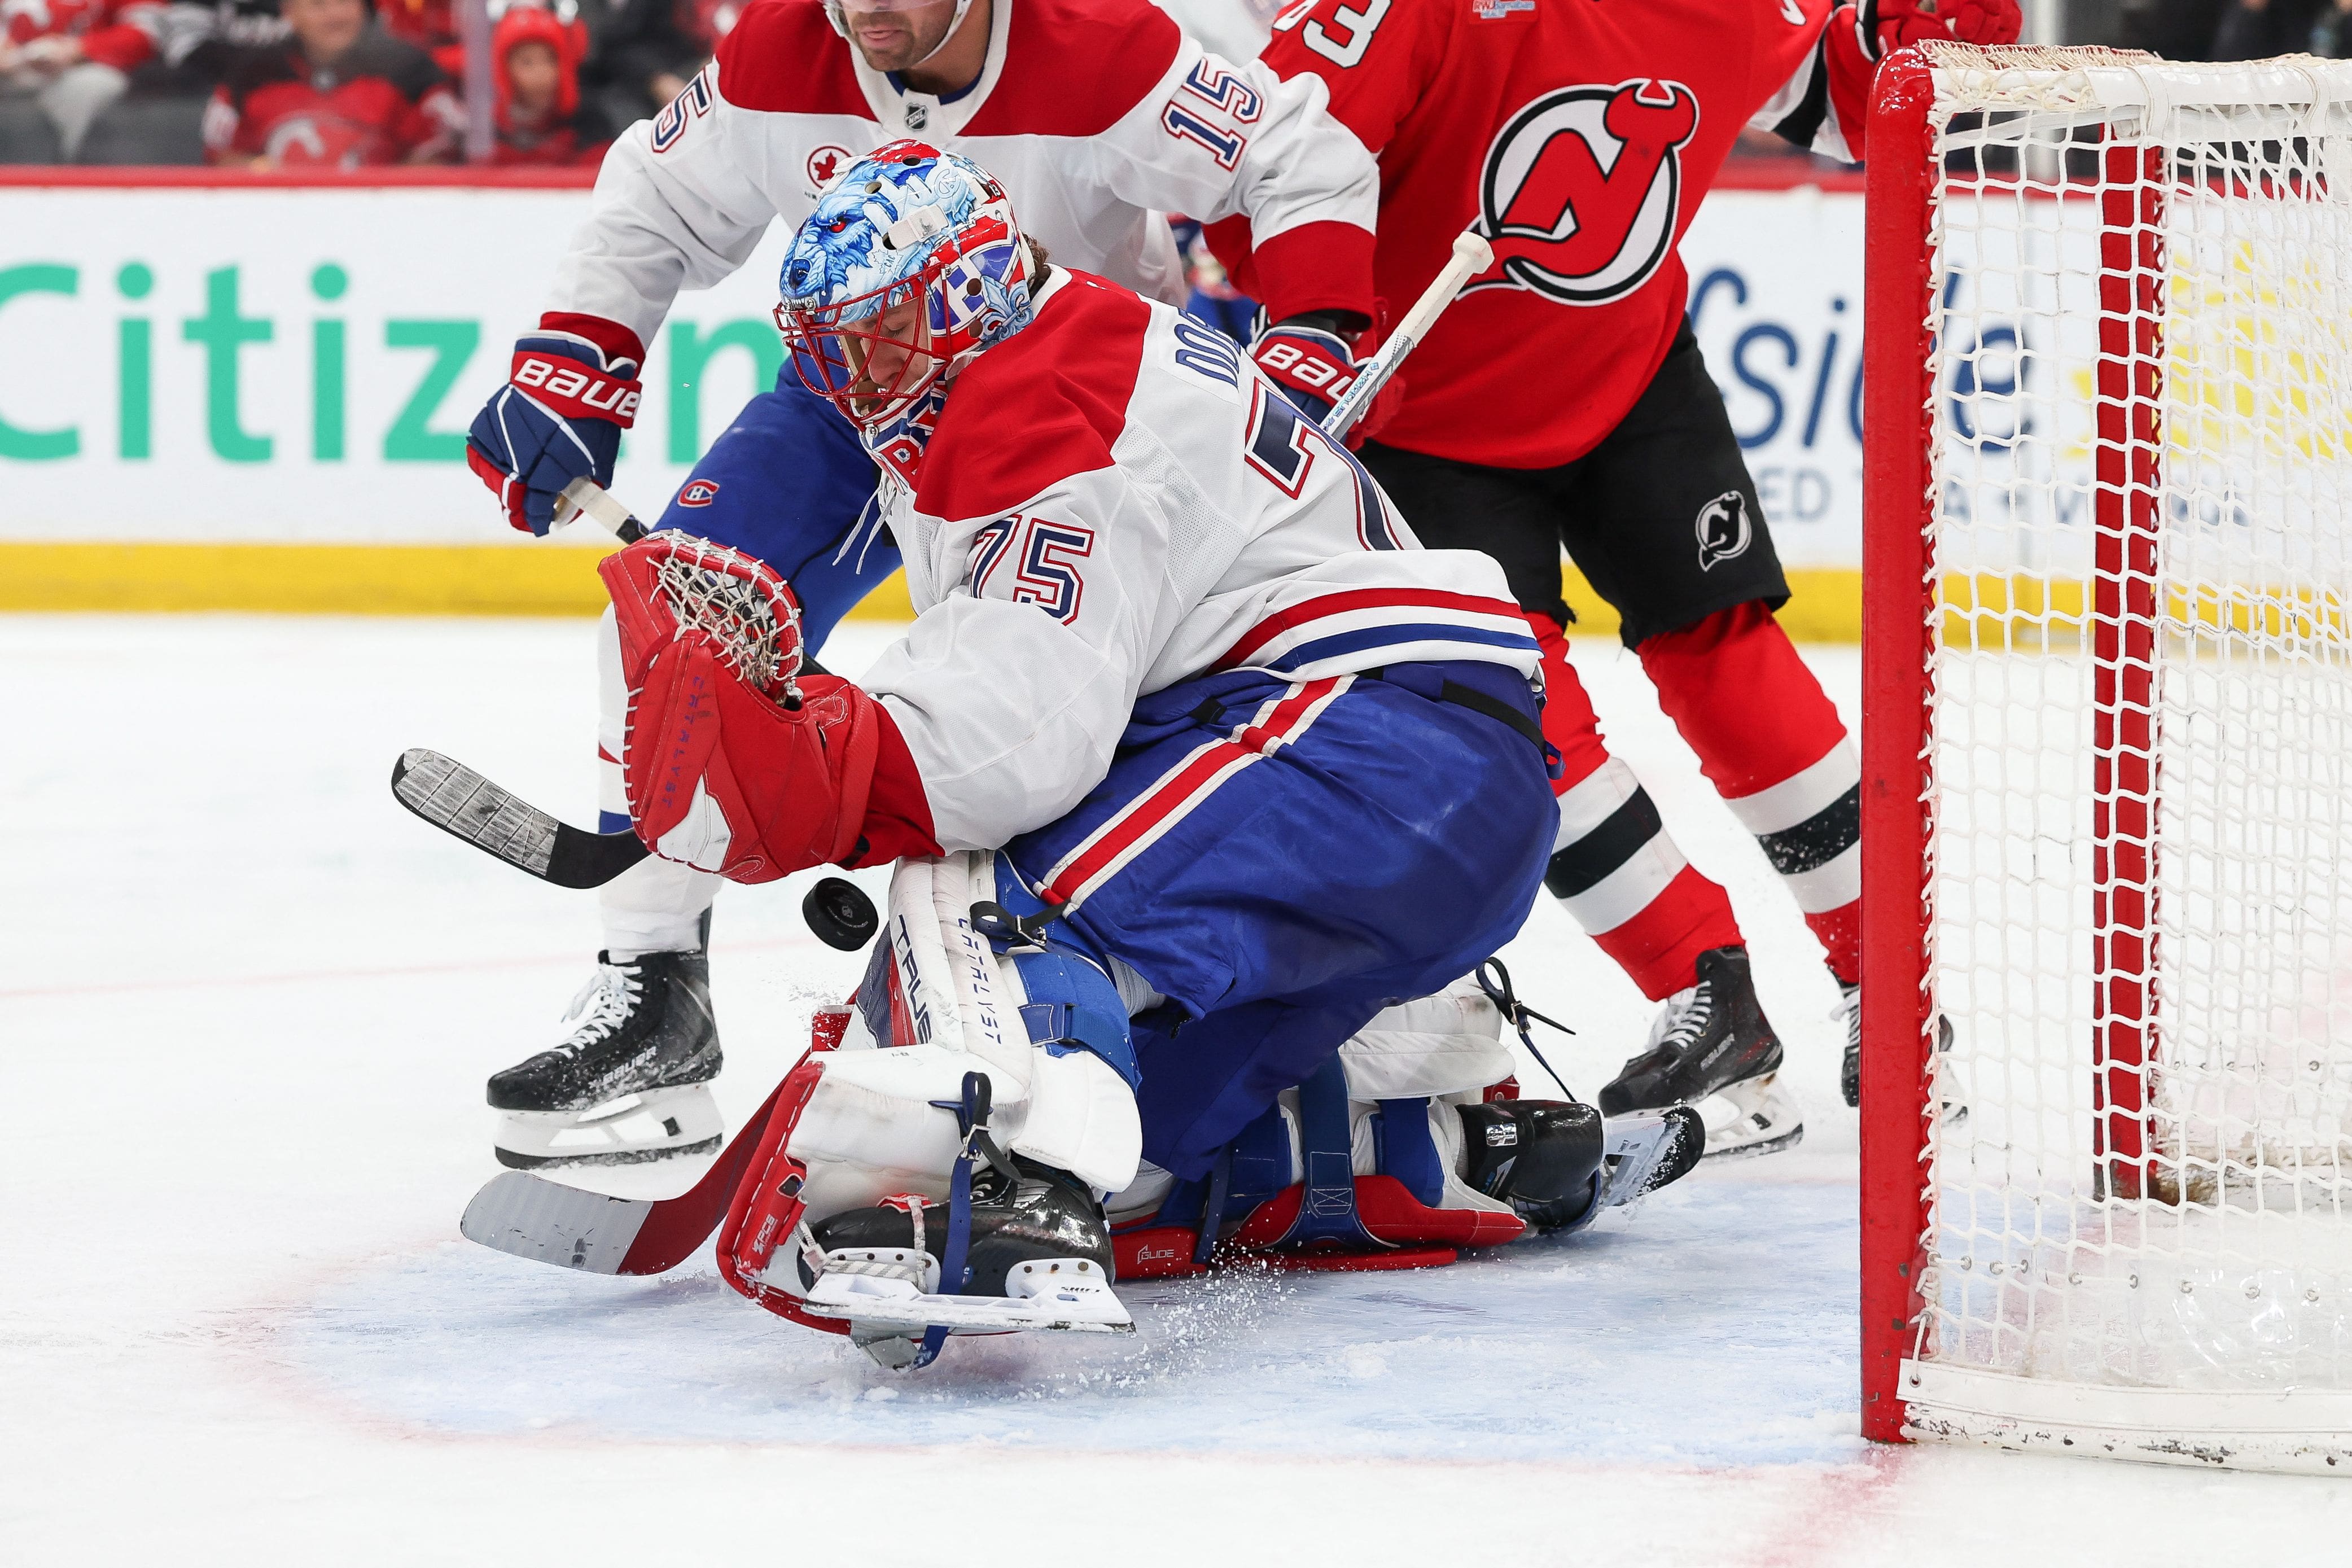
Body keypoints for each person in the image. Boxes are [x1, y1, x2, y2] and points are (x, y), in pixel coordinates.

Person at [595, 144, 1689, 1350]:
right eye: (833, 347)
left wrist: (807, 761)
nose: (856, 378)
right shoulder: (1065, 341)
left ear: (965, 296)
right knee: (1151, 1129)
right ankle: (1418, 1145)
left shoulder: (1039, 407)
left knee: (983, 899)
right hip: (1429, 789)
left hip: (1351, 747)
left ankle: (1017, 1187)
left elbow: (999, 754)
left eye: (883, 336)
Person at [466, 0, 1379, 1171]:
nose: (864, 9)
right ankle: (654, 993)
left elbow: (1299, 149)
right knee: (671, 612)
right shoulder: (778, 52)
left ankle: (1131, 1009)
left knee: (1066, 736)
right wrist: (575, 358)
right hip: (856, 389)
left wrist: (1315, 330)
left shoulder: (1104, 48)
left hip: (1074, 412)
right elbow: (656, 194)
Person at [1202, 0, 2019, 1155]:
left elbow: (1836, 102)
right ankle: (1705, 994)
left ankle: (1887, 984)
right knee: (1522, 716)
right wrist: (1320, 319)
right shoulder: (1393, 16)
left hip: (1628, 375)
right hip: (1424, 422)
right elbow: (1258, 181)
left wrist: (1906, 38)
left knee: (1727, 654)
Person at [201, 0, 458, 167]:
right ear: (289, 13)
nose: (335, 15)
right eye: (318, 4)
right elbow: (223, 160)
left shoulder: (411, 72)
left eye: (345, 1)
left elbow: (436, 162)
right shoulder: (250, 75)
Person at [0, 0, 160, 160]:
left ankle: (62, 168)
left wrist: (78, 48)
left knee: (92, 84)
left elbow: (149, 32)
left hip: (78, 70)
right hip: (10, 73)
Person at [489, 3, 612, 165]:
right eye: (527, 62)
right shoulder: (488, 128)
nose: (541, 72)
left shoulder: (587, 121)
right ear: (504, 69)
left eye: (551, 60)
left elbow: (601, 170)